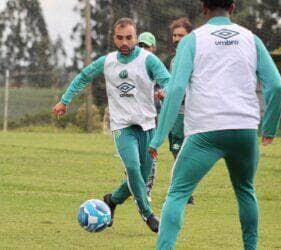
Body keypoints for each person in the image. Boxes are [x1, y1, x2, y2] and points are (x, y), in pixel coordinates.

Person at [148, 0, 281, 249]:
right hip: (244, 129)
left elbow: (176, 88)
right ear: (233, 7)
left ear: (203, 8)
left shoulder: (192, 40)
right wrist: (269, 127)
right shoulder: (251, 39)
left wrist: (158, 138)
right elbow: (276, 86)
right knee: (245, 190)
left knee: (178, 193)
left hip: (205, 131)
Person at [52, 18, 171, 233]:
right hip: (122, 127)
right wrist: (64, 100)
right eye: (120, 38)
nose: (124, 42)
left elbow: (168, 80)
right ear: (114, 38)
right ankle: (148, 215)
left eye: (129, 37)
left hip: (147, 127)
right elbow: (82, 77)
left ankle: (112, 200)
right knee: (133, 169)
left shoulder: (148, 60)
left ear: (135, 37)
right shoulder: (107, 62)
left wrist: (166, 91)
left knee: (140, 180)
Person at [168, 17, 195, 205]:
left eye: (181, 35)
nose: (177, 39)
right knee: (177, 152)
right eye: (175, 35)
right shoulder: (174, 60)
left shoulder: (194, 57)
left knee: (184, 152)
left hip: (188, 112)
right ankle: (186, 191)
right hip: (176, 112)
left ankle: (185, 192)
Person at [137, 31, 163, 202]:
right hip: (132, 118)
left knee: (150, 155)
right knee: (133, 157)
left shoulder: (157, 67)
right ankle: (134, 187)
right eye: (141, 46)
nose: (144, 49)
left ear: (153, 48)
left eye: (147, 46)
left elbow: (166, 87)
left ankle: (146, 190)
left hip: (151, 119)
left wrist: (161, 94)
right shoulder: (131, 65)